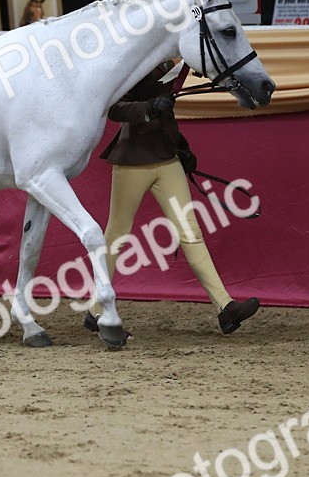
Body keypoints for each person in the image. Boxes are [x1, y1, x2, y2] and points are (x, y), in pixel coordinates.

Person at [84, 59, 261, 335]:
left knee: (191, 233)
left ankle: (225, 308)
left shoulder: (170, 65)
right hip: (133, 161)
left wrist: (181, 146)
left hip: (167, 159)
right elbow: (115, 109)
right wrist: (149, 108)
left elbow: (166, 114)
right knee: (116, 236)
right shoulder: (134, 65)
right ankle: (96, 310)